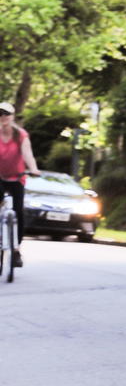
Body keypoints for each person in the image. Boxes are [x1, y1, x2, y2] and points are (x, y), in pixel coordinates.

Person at [0, 101, 40, 267]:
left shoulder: (20, 135)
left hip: (17, 177)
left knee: (18, 212)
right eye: (0, 114)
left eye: (6, 114)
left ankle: (16, 249)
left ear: (12, 116)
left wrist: (33, 168)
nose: (3, 117)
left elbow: (27, 153)